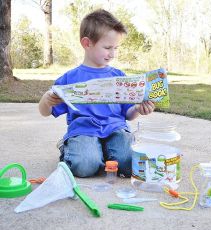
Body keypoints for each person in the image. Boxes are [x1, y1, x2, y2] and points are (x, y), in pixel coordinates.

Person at [38, 9, 155, 178]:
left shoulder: (119, 77)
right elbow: (44, 112)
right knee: (85, 166)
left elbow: (128, 115)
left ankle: (106, 154)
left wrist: (138, 108)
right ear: (87, 43)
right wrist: (46, 101)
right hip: (84, 131)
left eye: (116, 48)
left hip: (116, 129)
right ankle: (73, 149)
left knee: (131, 164)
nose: (113, 54)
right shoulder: (70, 78)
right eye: (107, 47)